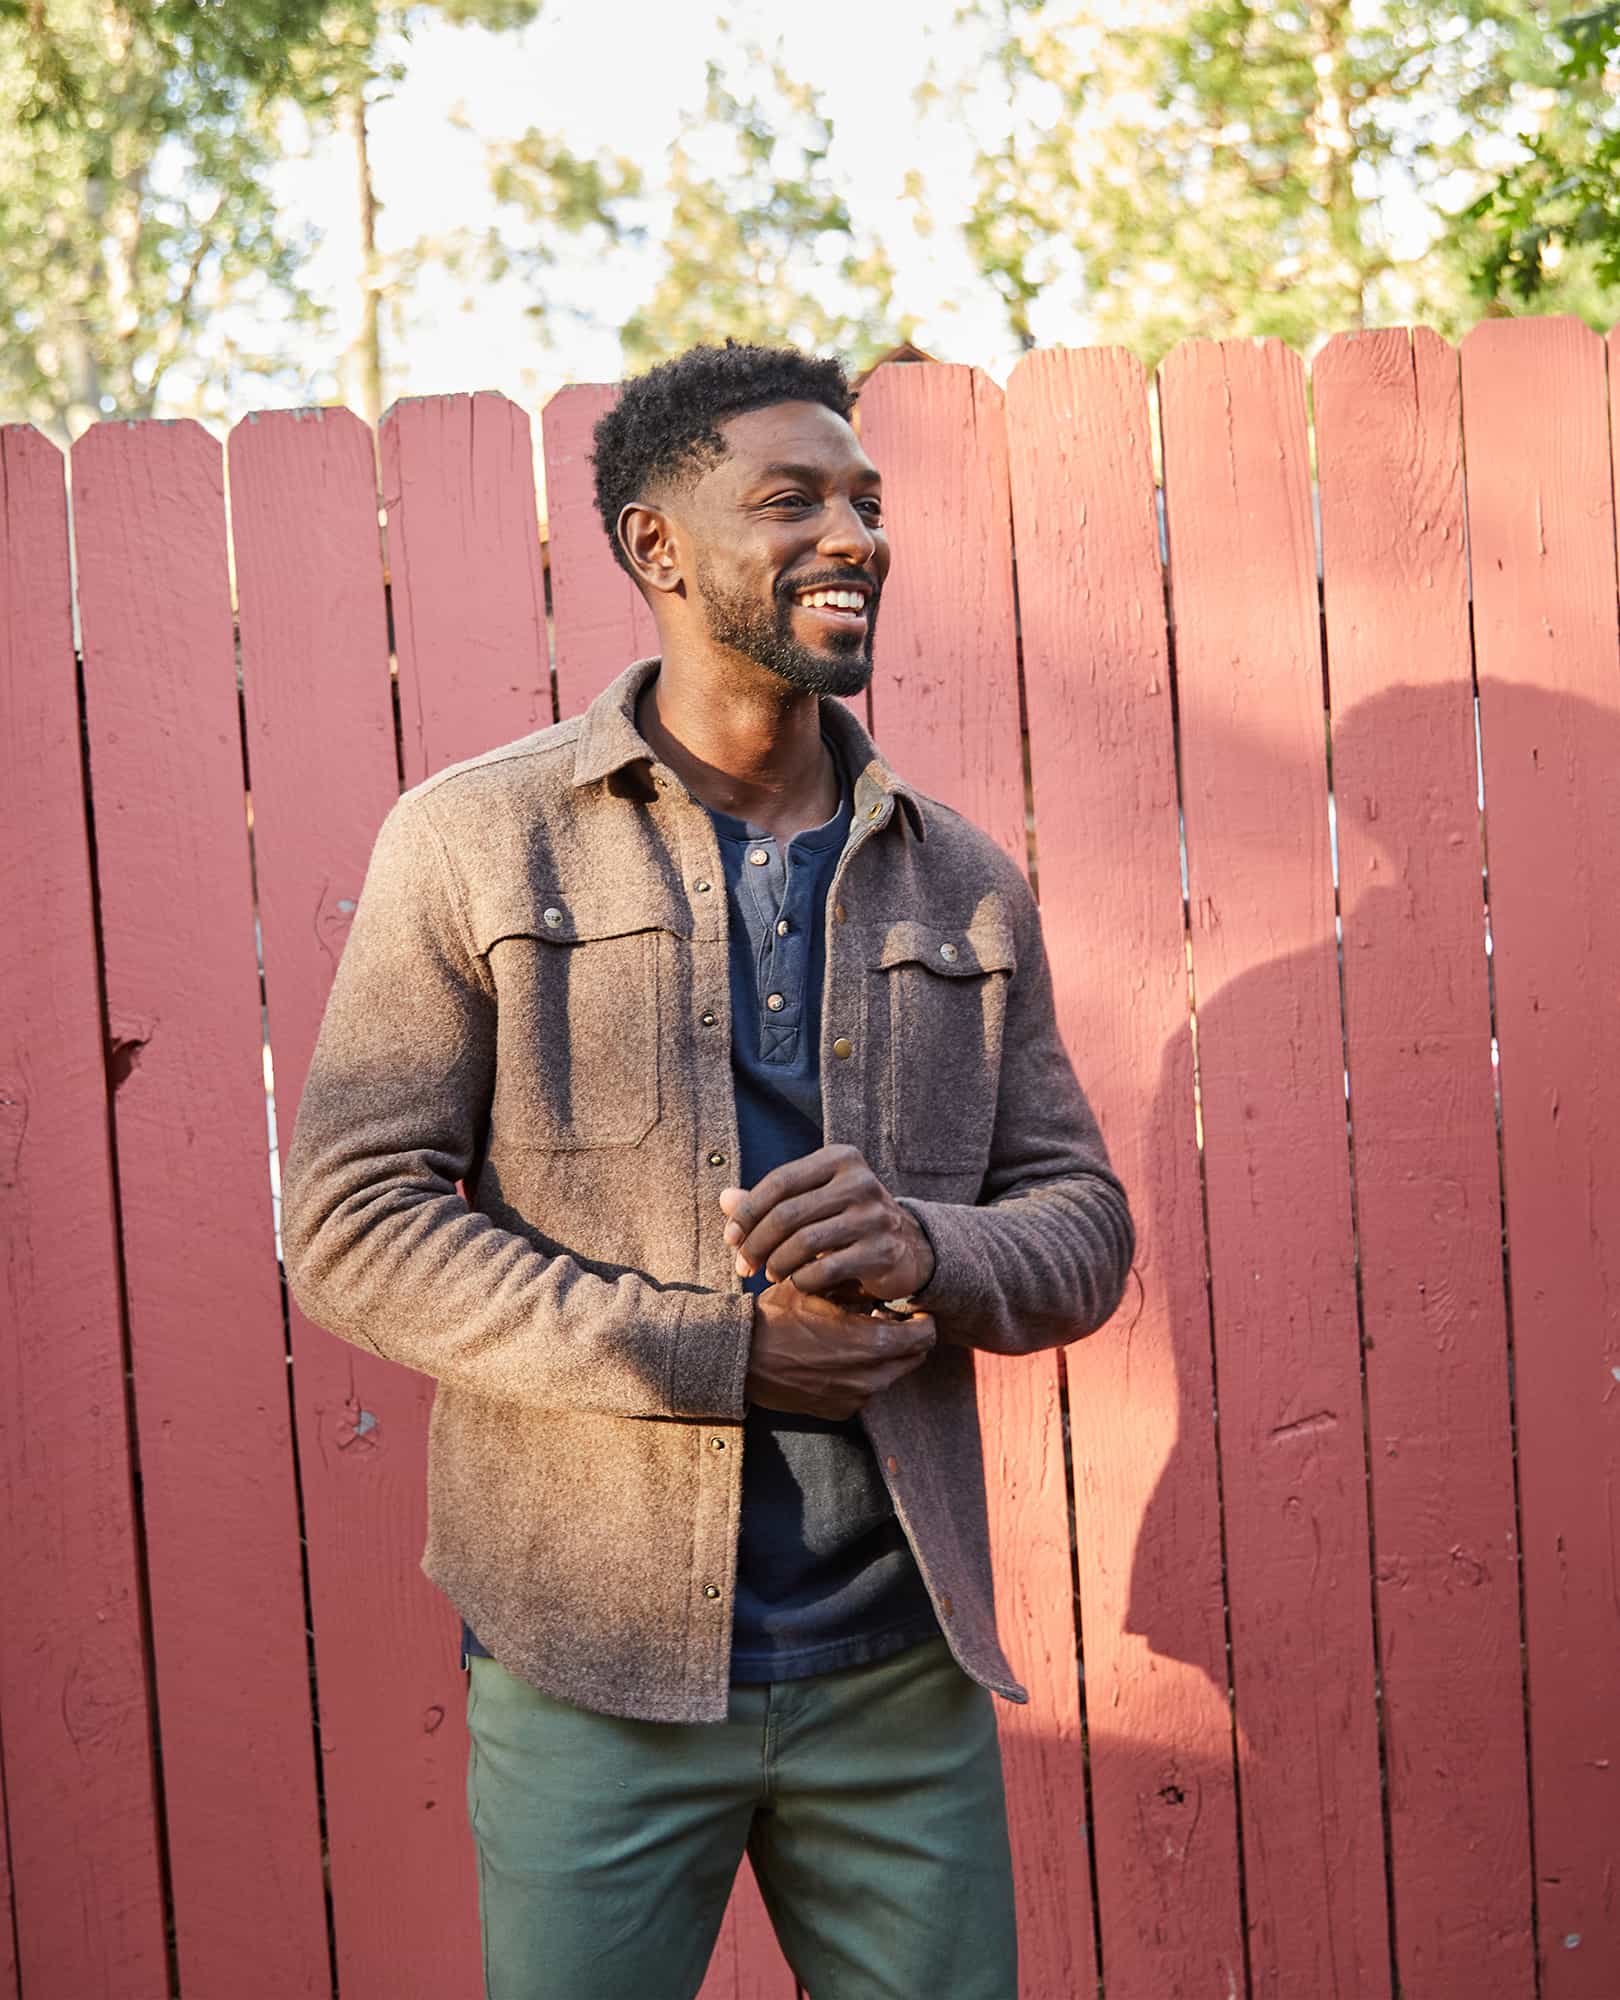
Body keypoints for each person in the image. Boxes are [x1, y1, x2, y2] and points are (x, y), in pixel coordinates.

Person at [281, 340, 1134, 1999]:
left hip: (901, 1665)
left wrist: (926, 1246)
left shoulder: (957, 875)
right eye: (792, 500)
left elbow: (1082, 1227)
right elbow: (351, 1224)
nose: (854, 536)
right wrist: (724, 1353)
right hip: (592, 1663)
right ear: (657, 545)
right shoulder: (478, 839)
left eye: (866, 502)